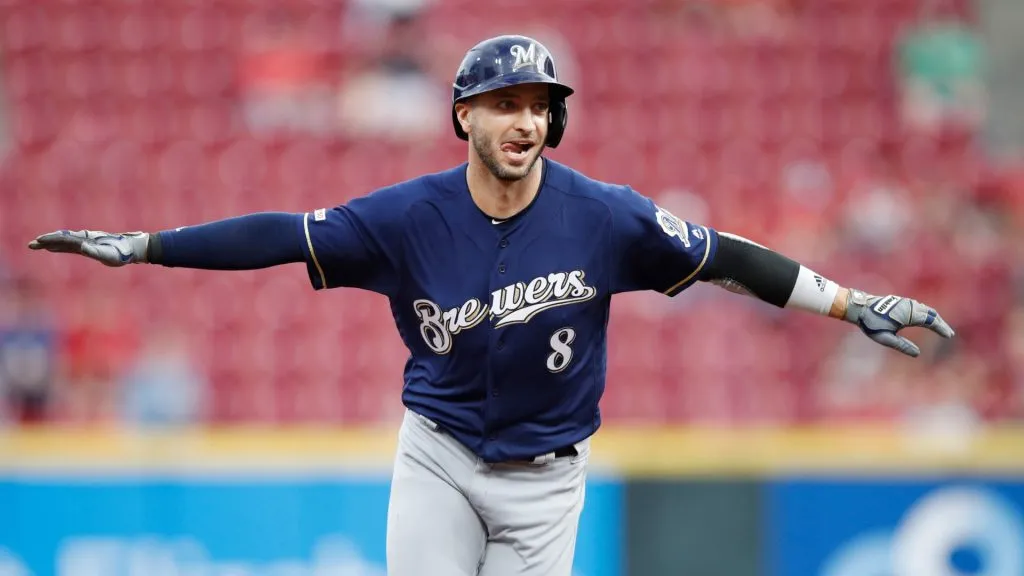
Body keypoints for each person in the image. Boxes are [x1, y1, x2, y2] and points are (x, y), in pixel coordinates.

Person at [28, 35, 954, 576]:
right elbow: (275, 235)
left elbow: (729, 260)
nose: (525, 120)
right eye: (504, 102)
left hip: (547, 483)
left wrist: (847, 301)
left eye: (539, 105)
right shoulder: (405, 218)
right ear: (464, 115)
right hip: (439, 456)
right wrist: (148, 246)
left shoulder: (606, 218)